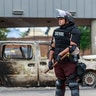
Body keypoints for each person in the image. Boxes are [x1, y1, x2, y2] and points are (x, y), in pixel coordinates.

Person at [48, 9, 81, 96]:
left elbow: (72, 47)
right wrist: (50, 60)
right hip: (58, 62)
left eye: (61, 19)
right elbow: (52, 47)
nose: (59, 21)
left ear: (67, 20)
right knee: (59, 84)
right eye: (58, 19)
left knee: (72, 84)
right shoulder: (56, 31)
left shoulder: (74, 31)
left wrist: (60, 54)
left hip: (69, 62)